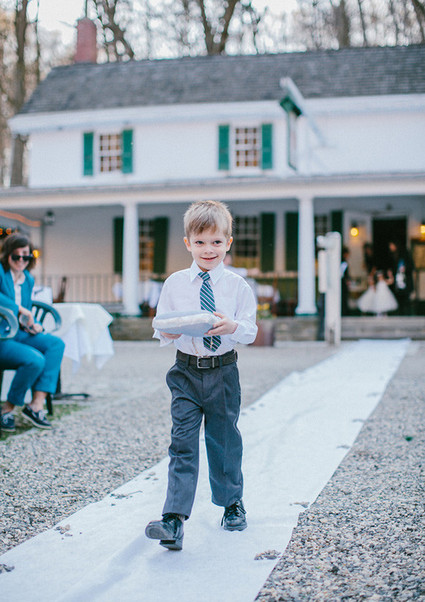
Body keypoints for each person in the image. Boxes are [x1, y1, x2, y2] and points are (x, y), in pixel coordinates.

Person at [145, 200, 257, 551]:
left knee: (224, 440)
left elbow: (250, 330)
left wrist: (232, 325)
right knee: (182, 441)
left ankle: (232, 504)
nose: (209, 250)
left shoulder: (238, 286)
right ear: (188, 243)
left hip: (223, 371)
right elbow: (161, 324)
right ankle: (173, 518)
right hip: (186, 372)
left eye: (216, 242)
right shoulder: (175, 284)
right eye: (200, 242)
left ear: (228, 243)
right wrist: (169, 331)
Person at [0, 232, 65, 432]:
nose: (21, 260)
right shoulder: (1, 272)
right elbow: (18, 307)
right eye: (16, 255)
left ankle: (36, 405)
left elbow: (26, 310)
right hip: (2, 337)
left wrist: (34, 324)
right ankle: (7, 409)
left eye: (26, 256)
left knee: (56, 344)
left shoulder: (27, 279)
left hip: (19, 333)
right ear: (7, 254)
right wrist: (20, 309)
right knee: (35, 360)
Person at [387, 240, 415, 315]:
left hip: (405, 282)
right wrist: (390, 271)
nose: (390, 247)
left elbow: (411, 266)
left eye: (391, 245)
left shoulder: (405, 256)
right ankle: (401, 314)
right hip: (398, 282)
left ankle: (407, 314)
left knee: (406, 300)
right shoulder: (393, 256)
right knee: (399, 299)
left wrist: (405, 268)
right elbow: (394, 268)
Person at [340, 246, 352, 316]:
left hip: (342, 282)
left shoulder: (342, 261)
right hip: (343, 282)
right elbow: (343, 273)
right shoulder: (343, 262)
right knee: (344, 296)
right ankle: (344, 311)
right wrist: (347, 280)